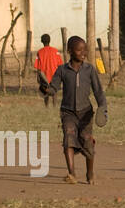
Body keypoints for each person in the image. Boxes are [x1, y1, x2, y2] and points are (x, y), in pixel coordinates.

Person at [49, 36, 107, 185]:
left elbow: (98, 91)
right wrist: (46, 89)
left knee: (87, 141)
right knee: (68, 139)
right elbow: (53, 88)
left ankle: (90, 173)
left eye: (85, 49)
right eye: (79, 49)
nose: (83, 52)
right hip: (68, 112)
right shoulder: (62, 70)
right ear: (70, 51)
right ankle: (72, 173)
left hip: (86, 113)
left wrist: (102, 107)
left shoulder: (89, 69)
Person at [34, 33, 62, 108]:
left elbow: (38, 67)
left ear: (42, 41)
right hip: (54, 75)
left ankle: (46, 107)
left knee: (45, 90)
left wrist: (38, 77)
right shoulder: (56, 51)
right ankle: (54, 106)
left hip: (44, 75)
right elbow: (60, 64)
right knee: (54, 91)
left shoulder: (39, 52)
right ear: (50, 41)